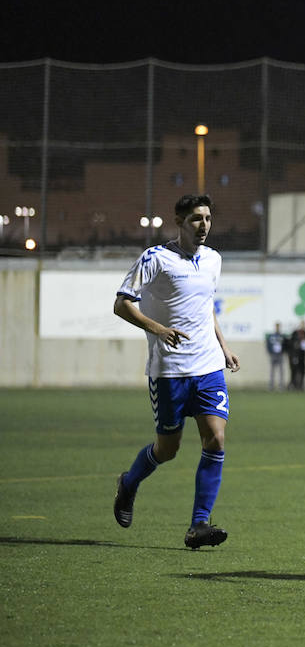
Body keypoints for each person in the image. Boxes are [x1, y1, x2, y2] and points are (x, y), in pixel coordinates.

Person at [111, 193, 242, 549]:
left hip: (208, 367)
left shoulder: (213, 259)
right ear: (179, 222)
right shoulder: (155, 258)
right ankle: (129, 483)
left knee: (216, 439)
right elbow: (122, 304)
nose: (204, 225)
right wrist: (159, 330)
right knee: (168, 449)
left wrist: (224, 347)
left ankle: (199, 525)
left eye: (208, 219)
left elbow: (206, 306)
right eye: (197, 219)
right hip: (169, 370)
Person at [265, 321, 287, 391]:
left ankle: (281, 386)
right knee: (272, 371)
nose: (277, 328)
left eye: (278, 327)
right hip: (273, 354)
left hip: (280, 354)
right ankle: (271, 385)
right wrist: (270, 352)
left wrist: (283, 351)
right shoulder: (271, 336)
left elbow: (285, 345)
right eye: (276, 327)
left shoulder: (282, 336)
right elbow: (268, 345)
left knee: (281, 371)